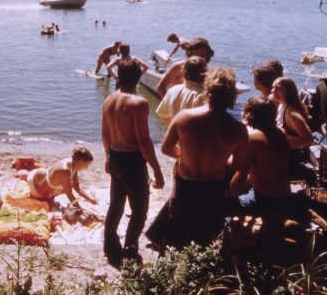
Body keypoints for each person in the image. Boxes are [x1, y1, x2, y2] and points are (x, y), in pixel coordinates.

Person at [148, 67, 248, 251]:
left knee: (178, 227)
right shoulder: (238, 129)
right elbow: (239, 164)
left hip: (186, 182)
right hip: (214, 186)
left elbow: (166, 148)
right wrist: (222, 159)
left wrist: (184, 154)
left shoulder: (184, 117)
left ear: (207, 89)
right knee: (206, 232)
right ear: (231, 95)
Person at [102, 59, 164, 267]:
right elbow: (143, 140)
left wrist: (107, 157)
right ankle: (130, 250)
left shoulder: (109, 100)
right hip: (132, 162)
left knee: (116, 205)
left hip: (116, 156)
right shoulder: (139, 103)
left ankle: (110, 246)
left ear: (118, 76)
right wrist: (156, 169)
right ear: (138, 78)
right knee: (139, 210)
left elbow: (105, 133)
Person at [228, 98, 295, 218]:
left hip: (265, 199)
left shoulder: (253, 139)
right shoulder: (281, 132)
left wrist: (230, 196)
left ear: (249, 115)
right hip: (285, 195)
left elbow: (238, 171)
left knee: (227, 206)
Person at [270, 77, 316, 185]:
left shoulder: (292, 114)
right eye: (273, 87)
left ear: (288, 92)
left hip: (290, 159)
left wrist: (283, 142)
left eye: (278, 88)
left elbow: (309, 139)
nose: (273, 91)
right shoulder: (282, 105)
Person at [19, 147, 97, 208]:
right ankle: (23, 174)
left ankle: (24, 171)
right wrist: (80, 210)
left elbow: (76, 186)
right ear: (81, 162)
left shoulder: (72, 161)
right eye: (87, 165)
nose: (87, 168)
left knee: (65, 185)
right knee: (64, 189)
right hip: (37, 190)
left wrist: (89, 199)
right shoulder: (66, 171)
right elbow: (70, 195)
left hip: (36, 174)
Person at [155, 56, 207, 126]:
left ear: (184, 72)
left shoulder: (172, 90)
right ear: (205, 74)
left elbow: (161, 113)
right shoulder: (204, 95)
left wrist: (174, 128)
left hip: (175, 134)